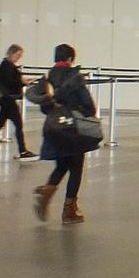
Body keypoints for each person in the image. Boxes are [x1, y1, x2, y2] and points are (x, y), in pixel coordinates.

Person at [27, 44, 96, 224]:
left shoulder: (47, 78)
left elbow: (44, 107)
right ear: (70, 59)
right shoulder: (75, 77)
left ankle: (47, 193)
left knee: (62, 165)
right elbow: (90, 106)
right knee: (76, 167)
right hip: (72, 129)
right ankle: (69, 212)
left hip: (53, 129)